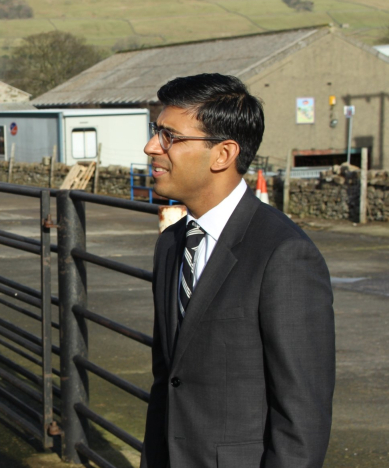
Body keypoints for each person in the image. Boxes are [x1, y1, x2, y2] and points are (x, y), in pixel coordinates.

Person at [140, 74, 335, 468]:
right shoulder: (171, 243)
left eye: (169, 136)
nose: (150, 147)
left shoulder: (284, 255)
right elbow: (168, 380)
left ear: (223, 154)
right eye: (154, 132)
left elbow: (302, 416)